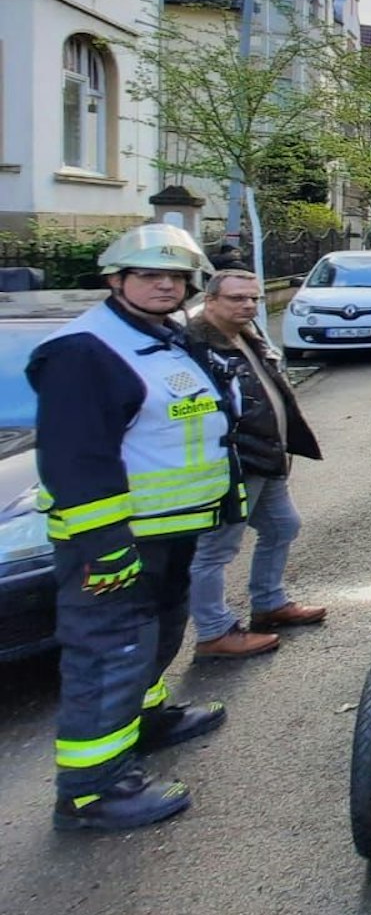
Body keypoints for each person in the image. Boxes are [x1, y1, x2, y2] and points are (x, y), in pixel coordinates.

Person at [29, 223, 244, 831]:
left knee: (154, 635)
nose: (163, 285)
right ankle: (91, 791)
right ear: (116, 280)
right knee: (109, 653)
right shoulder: (84, 351)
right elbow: (77, 462)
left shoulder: (163, 337)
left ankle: (144, 721)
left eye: (175, 277)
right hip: (118, 541)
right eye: (149, 275)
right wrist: (105, 549)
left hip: (167, 530)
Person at [187, 270, 325, 659]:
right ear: (211, 300)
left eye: (253, 299)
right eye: (236, 298)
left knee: (283, 525)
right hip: (235, 462)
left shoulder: (247, 334)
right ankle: (214, 632)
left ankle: (269, 604)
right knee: (216, 549)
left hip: (266, 456)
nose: (247, 305)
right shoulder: (196, 345)